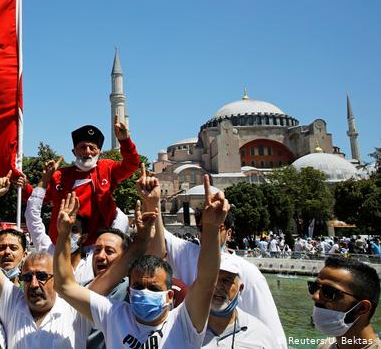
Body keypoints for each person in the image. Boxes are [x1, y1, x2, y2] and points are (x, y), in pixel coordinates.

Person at [54, 175, 229, 349]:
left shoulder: (185, 323)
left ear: (170, 295)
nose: (144, 293)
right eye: (137, 286)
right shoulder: (113, 315)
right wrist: (64, 234)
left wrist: (212, 229)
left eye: (153, 288)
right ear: (128, 290)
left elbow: (206, 282)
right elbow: (65, 286)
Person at [0, 181, 93, 348]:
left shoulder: (76, 309)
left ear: (58, 280)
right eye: (27, 277)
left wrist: (65, 233)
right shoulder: (14, 302)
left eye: (41, 276)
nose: (33, 284)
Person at [158, 192, 288, 348]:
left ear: (230, 233)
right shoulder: (186, 252)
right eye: (203, 226)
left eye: (217, 226)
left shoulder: (248, 272)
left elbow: (273, 333)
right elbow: (159, 236)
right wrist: (152, 202)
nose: (208, 231)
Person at [23, 116, 140, 244]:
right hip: (64, 244)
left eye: (92, 148)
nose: (87, 152)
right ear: (74, 152)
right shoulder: (59, 175)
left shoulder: (107, 168)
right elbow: (36, 199)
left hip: (96, 246)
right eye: (82, 147)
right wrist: (23, 186)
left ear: (99, 153)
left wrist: (125, 141)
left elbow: (131, 165)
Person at [202, 253, 277, 348]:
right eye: (213, 279)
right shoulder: (187, 328)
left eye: (226, 281)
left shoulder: (260, 335)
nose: (218, 286)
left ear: (240, 289)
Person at [309, 257, 380, 349]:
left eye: (329, 292)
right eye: (314, 287)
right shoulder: (325, 346)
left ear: (362, 308)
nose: (315, 297)